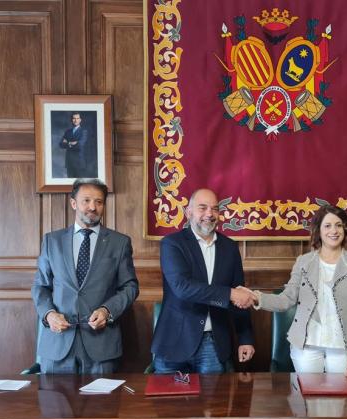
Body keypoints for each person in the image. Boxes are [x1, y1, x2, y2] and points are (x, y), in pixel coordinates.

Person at [250, 205, 347, 377]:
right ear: (318, 230)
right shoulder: (303, 262)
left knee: (340, 394)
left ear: (345, 229)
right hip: (306, 346)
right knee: (307, 393)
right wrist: (256, 297)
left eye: (339, 225)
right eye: (327, 226)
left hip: (344, 347)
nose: (334, 231)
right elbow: (286, 299)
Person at [32, 178, 139, 374]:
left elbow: (130, 287)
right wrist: (49, 314)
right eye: (86, 201)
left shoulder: (120, 242)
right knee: (52, 395)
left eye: (99, 202)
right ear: (74, 203)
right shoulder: (52, 241)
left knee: (103, 395)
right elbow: (41, 286)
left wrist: (107, 310)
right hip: (58, 344)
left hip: (102, 345)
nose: (93, 207)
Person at [151, 188, 256, 374]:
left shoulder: (230, 248)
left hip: (213, 344)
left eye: (214, 209)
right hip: (174, 341)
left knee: (212, 394)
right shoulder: (172, 243)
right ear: (189, 212)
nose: (209, 214)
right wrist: (230, 294)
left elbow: (240, 294)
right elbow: (182, 287)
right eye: (203, 208)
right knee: (167, 394)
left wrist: (245, 338)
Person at [59, 112, 89, 177]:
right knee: (70, 182)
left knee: (79, 182)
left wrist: (67, 143)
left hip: (79, 163)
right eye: (74, 118)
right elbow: (61, 144)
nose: (75, 120)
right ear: (71, 120)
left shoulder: (84, 131)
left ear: (80, 120)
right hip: (69, 162)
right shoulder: (68, 131)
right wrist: (71, 143)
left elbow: (79, 145)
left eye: (77, 118)